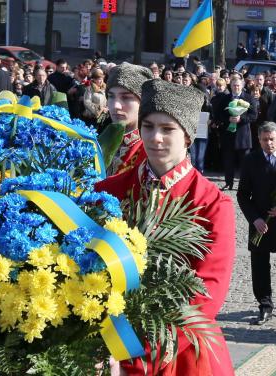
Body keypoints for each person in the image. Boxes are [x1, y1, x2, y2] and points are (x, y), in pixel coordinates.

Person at [95, 79, 235, 376]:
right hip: (106, 346)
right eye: (148, 126)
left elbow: (206, 294)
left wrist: (137, 359)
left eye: (167, 129)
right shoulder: (108, 192)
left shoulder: (212, 204)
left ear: (187, 136)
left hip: (181, 353)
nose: (156, 138)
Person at [237, 122, 276, 325]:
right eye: (265, 140)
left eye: (272, 139)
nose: (269, 143)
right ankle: (265, 304)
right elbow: (242, 195)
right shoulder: (251, 160)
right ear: (259, 140)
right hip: (260, 223)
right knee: (259, 266)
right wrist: (254, 218)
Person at [105, 62, 153, 175]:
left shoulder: (151, 151)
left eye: (126, 97)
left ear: (143, 101)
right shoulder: (104, 140)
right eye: (111, 96)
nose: (115, 106)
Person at [215, 76, 259, 190]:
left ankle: (245, 184)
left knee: (245, 163)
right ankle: (228, 182)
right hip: (228, 136)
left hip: (243, 136)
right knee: (228, 162)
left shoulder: (249, 98)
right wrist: (228, 118)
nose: (236, 87)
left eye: (238, 85)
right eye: (234, 85)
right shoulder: (225, 99)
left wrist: (241, 118)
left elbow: (254, 115)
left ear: (242, 86)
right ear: (231, 86)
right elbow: (219, 114)